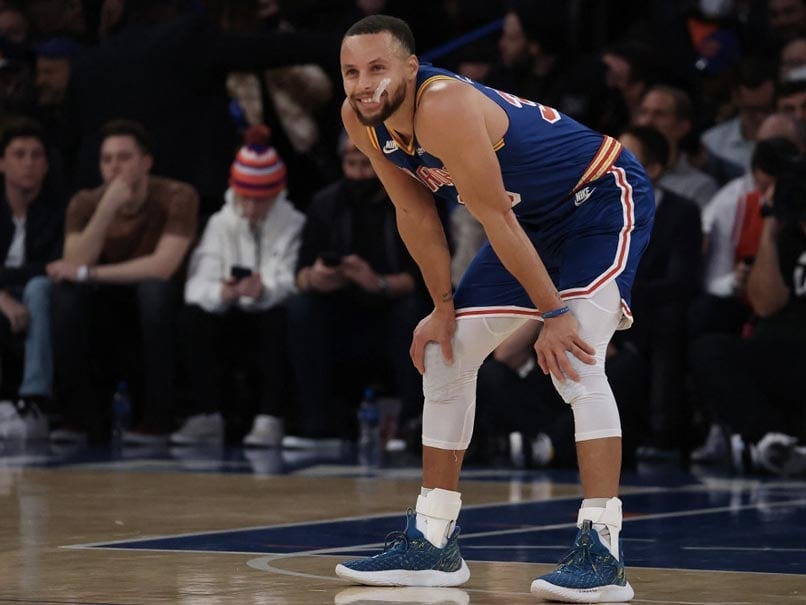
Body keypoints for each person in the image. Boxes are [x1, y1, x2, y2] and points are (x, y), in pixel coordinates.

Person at [333, 15, 654, 603]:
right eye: (351, 72)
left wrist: (553, 314)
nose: (363, 84)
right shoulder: (361, 119)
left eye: (377, 68)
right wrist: (441, 306)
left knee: (577, 358)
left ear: (410, 67)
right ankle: (433, 543)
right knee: (444, 353)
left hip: (598, 199)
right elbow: (415, 213)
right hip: (527, 223)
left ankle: (603, 551)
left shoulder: (443, 104)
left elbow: (494, 217)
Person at [47, 119, 197, 444]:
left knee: (154, 292)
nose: (114, 167)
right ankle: (80, 418)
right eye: (107, 159)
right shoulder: (85, 202)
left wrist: (89, 274)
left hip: (159, 297)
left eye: (124, 157)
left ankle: (157, 419)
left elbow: (162, 267)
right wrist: (107, 207)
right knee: (63, 295)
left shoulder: (178, 195)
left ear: (146, 162)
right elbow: (74, 264)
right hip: (105, 299)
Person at [174, 125, 303, 448]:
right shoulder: (220, 223)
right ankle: (206, 415)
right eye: (246, 199)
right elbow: (195, 286)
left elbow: (290, 281)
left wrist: (263, 291)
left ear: (276, 194)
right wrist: (223, 292)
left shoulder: (294, 224)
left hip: (268, 315)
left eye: (261, 200)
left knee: (279, 318)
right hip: (228, 314)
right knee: (193, 317)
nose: (251, 209)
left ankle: (269, 417)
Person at [0, 118, 62, 440]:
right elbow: (42, 266)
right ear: (2, 163)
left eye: (36, 155)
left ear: (46, 166)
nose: (28, 163)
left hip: (45, 294)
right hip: (4, 295)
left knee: (38, 288)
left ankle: (34, 400)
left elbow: (56, 266)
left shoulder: (61, 210)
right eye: (19, 154)